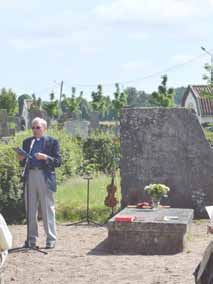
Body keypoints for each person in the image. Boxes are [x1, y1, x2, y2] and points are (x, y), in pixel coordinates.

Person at [17, 117, 61, 249]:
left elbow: (58, 161)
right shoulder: (27, 142)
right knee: (30, 209)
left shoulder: (52, 142)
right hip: (30, 176)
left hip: (44, 176)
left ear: (44, 128)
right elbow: (23, 162)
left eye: (38, 127)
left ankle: (51, 239)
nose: (35, 130)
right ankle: (31, 240)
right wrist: (20, 159)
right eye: (33, 127)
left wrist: (46, 157)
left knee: (47, 209)